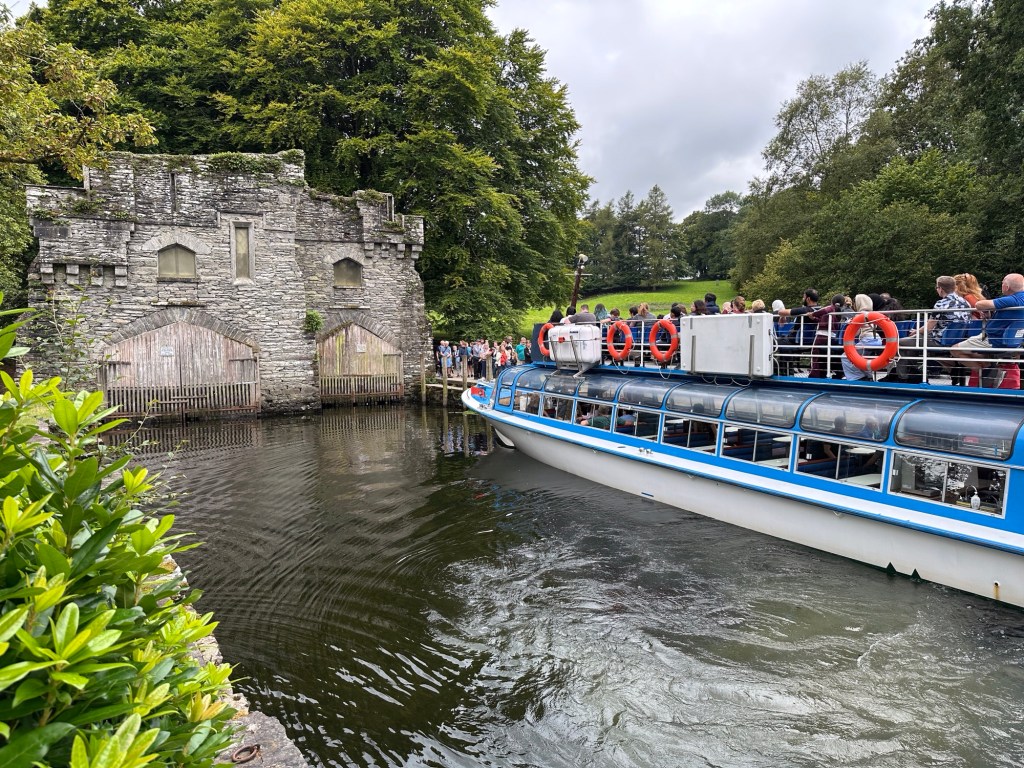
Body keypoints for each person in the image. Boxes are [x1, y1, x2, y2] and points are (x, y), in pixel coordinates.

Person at [889, 275, 972, 381]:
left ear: (941, 289)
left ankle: (904, 376)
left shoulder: (941, 303)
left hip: (940, 340)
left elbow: (928, 327)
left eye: (937, 288)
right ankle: (912, 373)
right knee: (912, 342)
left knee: (901, 342)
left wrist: (916, 331)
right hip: (958, 338)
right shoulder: (966, 303)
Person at [951, 272, 1024, 381]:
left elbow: (979, 305)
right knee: (977, 349)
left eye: (1003, 283)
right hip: (1013, 340)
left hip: (994, 339)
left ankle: (988, 370)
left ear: (1007, 287)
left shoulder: (1012, 300)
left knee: (954, 350)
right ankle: (989, 370)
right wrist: (990, 313)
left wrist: (988, 307)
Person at [842, 294, 886, 380]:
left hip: (867, 341)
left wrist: (850, 325)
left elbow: (855, 333)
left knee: (846, 356)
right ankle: (869, 376)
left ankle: (858, 377)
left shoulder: (859, 315)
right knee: (862, 358)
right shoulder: (873, 314)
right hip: (877, 340)